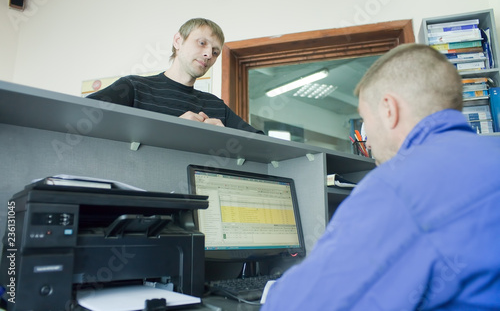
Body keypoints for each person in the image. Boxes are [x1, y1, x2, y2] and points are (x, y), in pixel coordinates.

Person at [261, 44, 500, 310]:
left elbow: (305, 304)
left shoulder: (397, 185)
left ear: (389, 109)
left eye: (365, 120)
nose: (368, 142)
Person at [87, 18, 262, 134]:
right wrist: (170, 128)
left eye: (215, 52)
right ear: (178, 41)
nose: (209, 54)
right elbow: (81, 118)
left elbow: (263, 143)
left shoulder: (216, 107)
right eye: (202, 43)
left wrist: (226, 136)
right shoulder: (133, 88)